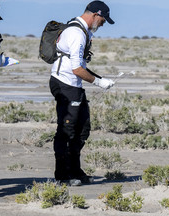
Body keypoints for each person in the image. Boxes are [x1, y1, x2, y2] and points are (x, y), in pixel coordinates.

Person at [49, 0, 115, 186]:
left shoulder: (82, 31)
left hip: (74, 85)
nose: (103, 24)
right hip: (65, 84)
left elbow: (79, 67)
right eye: (103, 20)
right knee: (67, 130)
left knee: (82, 129)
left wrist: (99, 78)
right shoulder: (77, 33)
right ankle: (62, 176)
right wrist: (99, 82)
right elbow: (77, 69)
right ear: (95, 15)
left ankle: (75, 170)